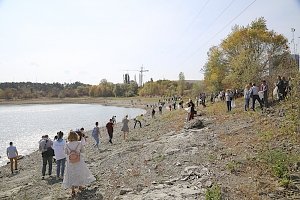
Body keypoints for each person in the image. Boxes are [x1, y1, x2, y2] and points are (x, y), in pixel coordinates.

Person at [63, 131, 95, 197]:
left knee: (71, 175)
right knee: (79, 173)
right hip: (78, 161)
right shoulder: (79, 143)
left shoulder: (67, 144)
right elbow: (83, 151)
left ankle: (72, 190)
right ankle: (80, 186)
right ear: (76, 136)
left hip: (70, 162)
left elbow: (65, 152)